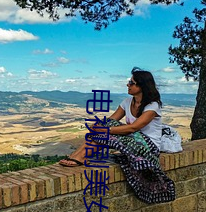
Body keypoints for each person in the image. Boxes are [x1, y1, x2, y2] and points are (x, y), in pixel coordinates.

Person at [59, 67, 175, 203]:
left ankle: (80, 156)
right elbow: (112, 120)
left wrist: (106, 130)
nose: (128, 85)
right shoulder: (127, 102)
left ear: (142, 86)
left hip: (148, 146)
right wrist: (98, 126)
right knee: (103, 126)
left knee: (106, 131)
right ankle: (78, 156)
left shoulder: (152, 105)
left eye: (132, 83)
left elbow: (134, 127)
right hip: (131, 139)